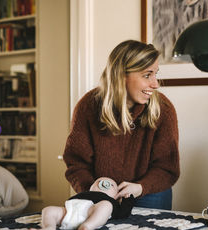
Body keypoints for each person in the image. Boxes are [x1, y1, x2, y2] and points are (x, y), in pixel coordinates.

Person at [63, 40, 180, 210]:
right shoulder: (88, 106)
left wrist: (139, 187)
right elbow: (76, 163)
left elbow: (166, 168)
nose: (155, 84)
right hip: (100, 194)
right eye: (147, 75)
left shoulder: (164, 109)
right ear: (121, 75)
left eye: (155, 74)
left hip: (148, 193)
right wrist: (93, 189)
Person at [30, 177, 134, 230]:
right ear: (91, 187)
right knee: (49, 210)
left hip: (91, 212)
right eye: (99, 181)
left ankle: (87, 226)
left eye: (111, 185)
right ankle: (49, 228)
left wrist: (128, 199)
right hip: (70, 212)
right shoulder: (84, 194)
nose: (103, 184)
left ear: (116, 196)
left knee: (106, 206)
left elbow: (123, 213)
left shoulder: (110, 201)